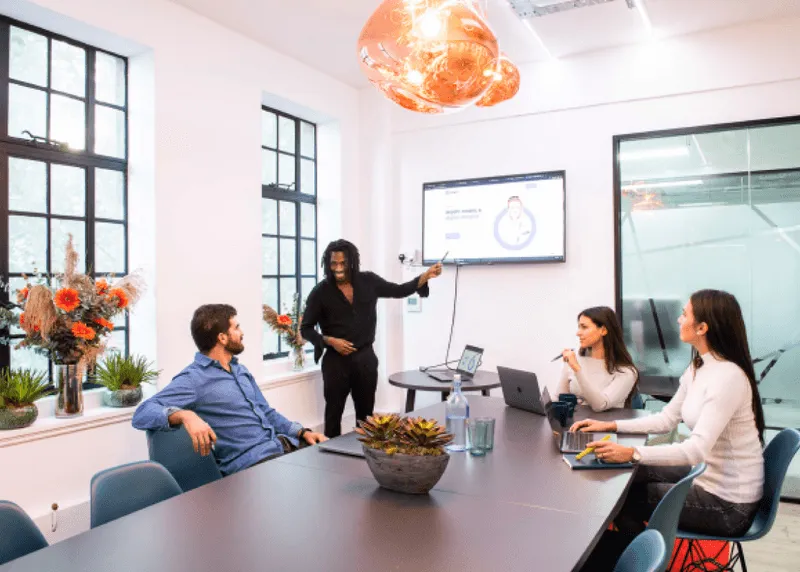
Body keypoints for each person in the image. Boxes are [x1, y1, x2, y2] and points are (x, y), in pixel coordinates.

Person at [573, 290, 765, 569]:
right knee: (629, 475)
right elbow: (665, 419)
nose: (678, 319)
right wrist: (610, 424)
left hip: (729, 504)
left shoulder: (728, 378)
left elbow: (695, 449)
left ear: (702, 327)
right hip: (706, 475)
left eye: (684, 314)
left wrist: (632, 452)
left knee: (626, 497)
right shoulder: (699, 368)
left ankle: (640, 563)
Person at [132, 304, 327, 476]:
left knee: (335, 461)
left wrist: (302, 432)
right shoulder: (194, 379)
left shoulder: (240, 371)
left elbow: (267, 412)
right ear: (222, 337)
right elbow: (142, 413)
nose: (242, 332)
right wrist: (184, 415)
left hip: (282, 447)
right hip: (253, 465)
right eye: (237, 327)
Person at [301, 239, 443, 437]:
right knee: (333, 414)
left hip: (365, 359)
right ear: (328, 263)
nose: (338, 268)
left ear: (352, 262)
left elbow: (399, 290)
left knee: (366, 418)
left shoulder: (369, 281)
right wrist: (330, 341)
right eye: (333, 263)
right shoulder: (320, 292)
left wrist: (425, 276)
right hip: (335, 362)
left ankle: (365, 459)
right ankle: (329, 459)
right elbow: (305, 329)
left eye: (343, 263)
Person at [557, 306, 638, 411]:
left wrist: (576, 368)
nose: (578, 333)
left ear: (603, 330)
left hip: (605, 425)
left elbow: (600, 405)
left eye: (584, 327)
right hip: (575, 424)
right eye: (579, 327)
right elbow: (559, 399)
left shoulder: (626, 372)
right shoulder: (575, 359)